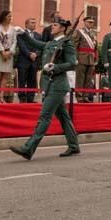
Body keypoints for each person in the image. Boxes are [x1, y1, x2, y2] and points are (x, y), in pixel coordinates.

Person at [9, 19, 80, 160]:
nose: (52, 27)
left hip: (58, 85)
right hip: (50, 85)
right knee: (64, 118)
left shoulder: (67, 44)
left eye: (55, 25)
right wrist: (23, 34)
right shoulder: (51, 43)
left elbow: (72, 63)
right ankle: (74, 146)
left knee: (45, 116)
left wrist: (56, 67)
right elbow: (35, 43)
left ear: (62, 29)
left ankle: (28, 148)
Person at [72, 16, 98, 103]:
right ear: (85, 22)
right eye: (89, 22)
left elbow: (95, 48)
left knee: (88, 79)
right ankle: (79, 97)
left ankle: (85, 96)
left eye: (92, 22)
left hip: (91, 59)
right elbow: (74, 46)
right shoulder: (79, 32)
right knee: (80, 79)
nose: (91, 24)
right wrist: (75, 58)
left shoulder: (93, 34)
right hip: (81, 58)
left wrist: (96, 58)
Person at [15, 18, 41, 104]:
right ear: (26, 25)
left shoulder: (38, 35)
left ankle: (31, 98)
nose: (34, 24)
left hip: (34, 62)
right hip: (23, 61)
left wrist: (36, 54)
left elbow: (40, 47)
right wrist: (29, 54)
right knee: (22, 80)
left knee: (32, 81)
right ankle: (22, 98)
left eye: (35, 23)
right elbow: (21, 46)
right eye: (32, 23)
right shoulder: (21, 35)